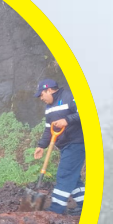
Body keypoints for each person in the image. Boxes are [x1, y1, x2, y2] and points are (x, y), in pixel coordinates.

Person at [32, 78, 85, 215]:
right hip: (64, 145)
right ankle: (85, 205)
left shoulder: (68, 97)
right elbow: (48, 129)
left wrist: (67, 120)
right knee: (73, 178)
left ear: (49, 90)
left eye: (41, 94)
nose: (41, 98)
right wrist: (41, 146)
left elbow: (85, 112)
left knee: (64, 174)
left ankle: (56, 209)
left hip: (77, 142)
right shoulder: (49, 108)